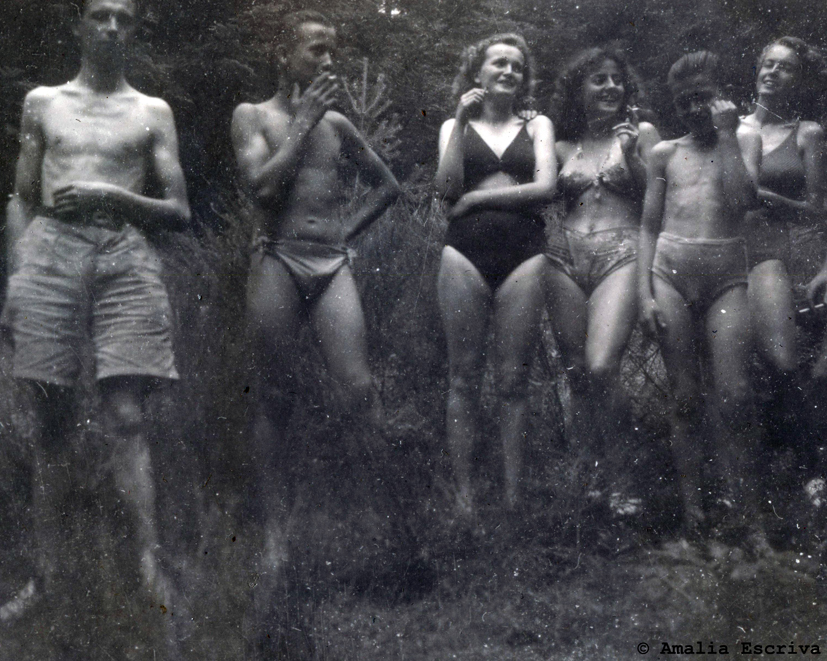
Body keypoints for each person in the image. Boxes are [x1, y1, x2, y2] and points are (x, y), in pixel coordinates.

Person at [3, 0, 190, 602]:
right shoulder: (44, 103)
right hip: (50, 251)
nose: (111, 27)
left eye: (124, 19)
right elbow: (22, 197)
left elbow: (178, 211)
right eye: (100, 15)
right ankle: (46, 578)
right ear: (78, 23)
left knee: (127, 415)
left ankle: (149, 566)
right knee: (51, 420)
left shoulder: (151, 111)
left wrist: (114, 196)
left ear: (134, 28)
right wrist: (17, 275)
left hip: (123, 252)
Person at [231, 10, 401, 579]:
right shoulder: (252, 116)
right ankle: (275, 538)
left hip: (330, 263)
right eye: (316, 51)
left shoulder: (339, 125)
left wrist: (344, 234)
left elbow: (387, 187)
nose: (329, 61)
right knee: (273, 397)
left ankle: (379, 525)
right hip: (277, 256)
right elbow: (261, 189)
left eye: (333, 51)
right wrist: (302, 121)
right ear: (283, 57)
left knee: (358, 389)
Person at [637, 52, 765, 546]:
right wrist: (644, 293)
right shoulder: (664, 153)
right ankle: (694, 516)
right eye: (684, 101)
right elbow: (649, 226)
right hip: (670, 271)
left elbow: (741, 201)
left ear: (723, 97)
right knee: (686, 397)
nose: (695, 109)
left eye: (704, 98)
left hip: (726, 272)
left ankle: (749, 517)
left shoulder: (744, 139)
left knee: (736, 394)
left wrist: (728, 134)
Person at [434, 33, 555, 516]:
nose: (508, 71)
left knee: (514, 381)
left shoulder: (538, 124)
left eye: (517, 66)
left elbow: (545, 188)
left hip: (525, 253)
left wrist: (477, 198)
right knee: (463, 378)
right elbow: (446, 189)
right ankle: (464, 497)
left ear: (524, 79)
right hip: (464, 254)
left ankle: (513, 497)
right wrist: (461, 120)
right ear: (477, 72)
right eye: (498, 63)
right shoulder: (454, 125)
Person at [544, 48, 659, 485]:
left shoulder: (642, 133)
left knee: (601, 366)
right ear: (579, 90)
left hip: (622, 252)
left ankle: (623, 477)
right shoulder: (562, 144)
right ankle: (589, 476)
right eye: (599, 79)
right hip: (563, 256)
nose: (611, 86)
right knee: (576, 373)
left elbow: (661, 197)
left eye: (617, 79)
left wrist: (631, 156)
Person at [740, 37, 825, 447]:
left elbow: (817, 209)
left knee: (796, 362)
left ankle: (807, 454)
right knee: (765, 366)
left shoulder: (807, 133)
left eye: (786, 67)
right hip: (738, 251)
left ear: (800, 80)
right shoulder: (732, 129)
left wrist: (766, 197)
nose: (773, 72)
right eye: (768, 64)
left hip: (790, 248)